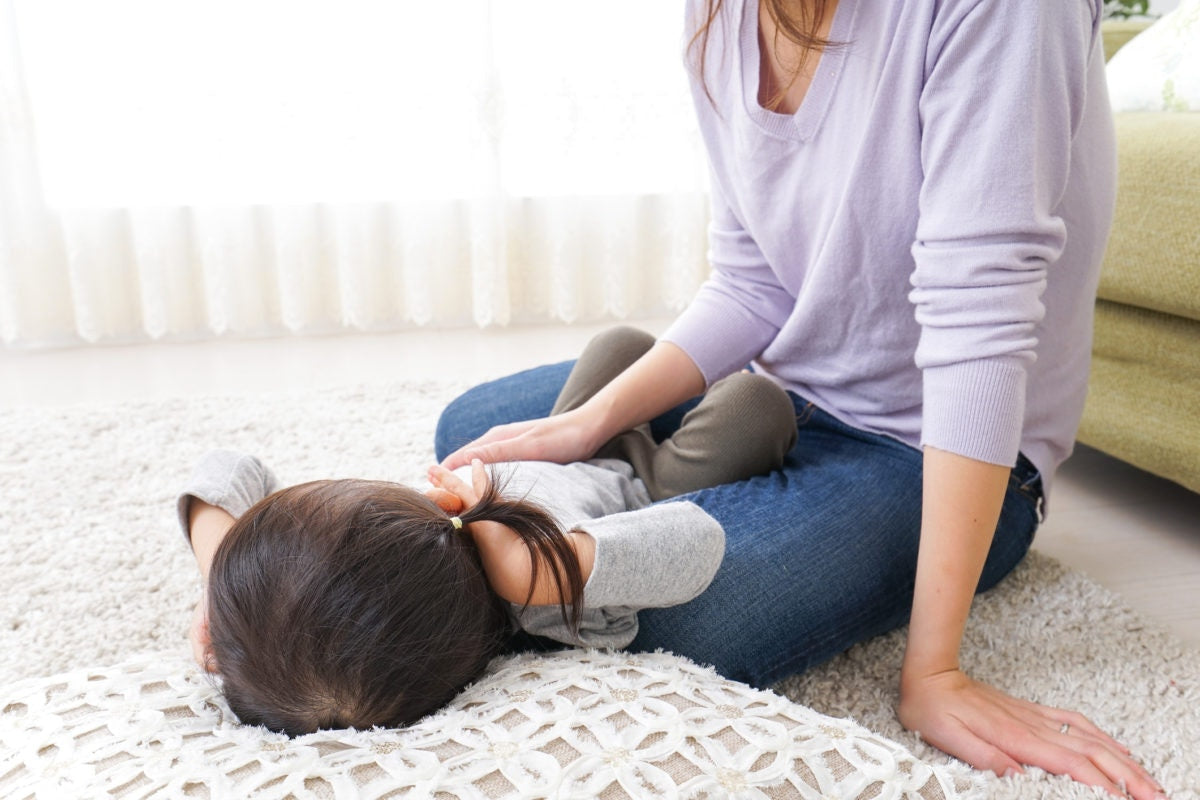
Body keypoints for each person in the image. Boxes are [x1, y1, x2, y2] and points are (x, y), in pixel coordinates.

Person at [435, 1, 1168, 797]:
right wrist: (588, 424)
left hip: (926, 449)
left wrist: (935, 669)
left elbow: (978, 327)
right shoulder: (719, 12)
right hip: (780, 396)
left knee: (679, 622)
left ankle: (646, 496)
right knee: (473, 432)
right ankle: (647, 482)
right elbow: (754, 281)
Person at [177, 326, 797, 735]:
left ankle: (633, 403)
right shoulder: (544, 609)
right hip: (647, 483)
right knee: (754, 405)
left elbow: (227, 469)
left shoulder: (390, 554)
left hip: (554, 443)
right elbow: (696, 540)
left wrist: (224, 585)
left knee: (621, 346)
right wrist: (537, 571)